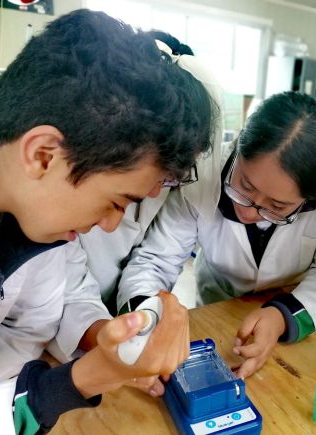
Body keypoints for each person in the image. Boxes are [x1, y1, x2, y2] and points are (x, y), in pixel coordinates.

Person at [0, 10, 217, 434]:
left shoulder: (34, 213)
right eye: (116, 202)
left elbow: (29, 332)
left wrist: (111, 349)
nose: (112, 226)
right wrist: (74, 381)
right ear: (43, 154)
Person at [114, 91, 316, 379]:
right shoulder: (204, 170)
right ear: (239, 148)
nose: (249, 213)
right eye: (244, 185)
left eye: (277, 206)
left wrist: (282, 317)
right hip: (218, 304)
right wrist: (147, 320)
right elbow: (156, 260)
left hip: (296, 305)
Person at [47, 32, 223, 399]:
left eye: (174, 176)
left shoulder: (169, 183)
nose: (157, 189)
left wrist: (128, 331)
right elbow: (61, 280)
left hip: (97, 324)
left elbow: (155, 256)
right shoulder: (57, 200)